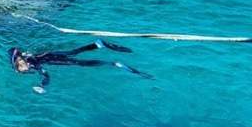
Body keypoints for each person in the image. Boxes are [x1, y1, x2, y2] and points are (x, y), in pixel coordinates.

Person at [9, 40, 151, 93]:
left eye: (21, 67)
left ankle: (113, 63)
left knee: (78, 62)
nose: (24, 68)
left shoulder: (33, 63)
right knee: (74, 52)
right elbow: (14, 51)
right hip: (51, 54)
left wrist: (43, 86)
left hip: (53, 57)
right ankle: (97, 44)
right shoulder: (27, 59)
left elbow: (45, 74)